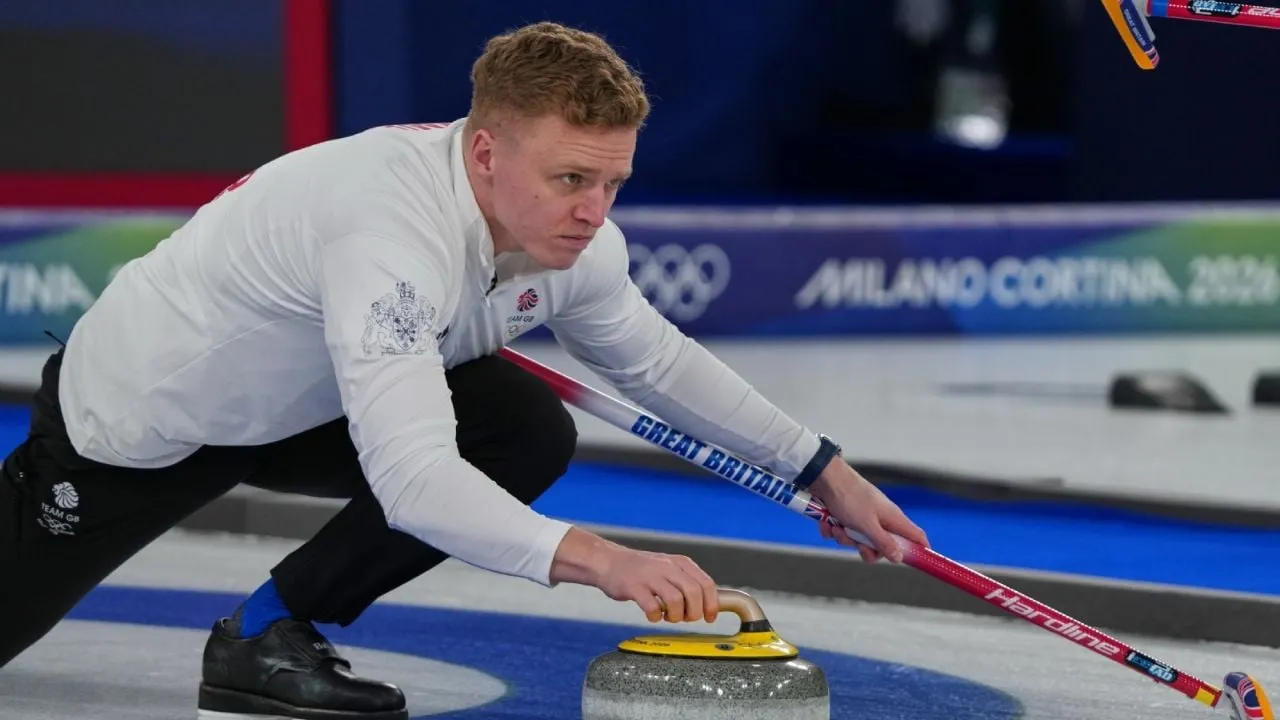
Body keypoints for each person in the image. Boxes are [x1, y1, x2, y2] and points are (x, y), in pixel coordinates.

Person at [0, 20, 929, 720]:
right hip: (140, 425)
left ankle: (265, 632)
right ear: (484, 153)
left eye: (613, 184)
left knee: (521, 426)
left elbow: (656, 363)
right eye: (571, 180)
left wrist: (824, 473)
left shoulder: (575, 243)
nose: (593, 211)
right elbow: (412, 482)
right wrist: (603, 561)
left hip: (310, 401)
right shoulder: (386, 226)